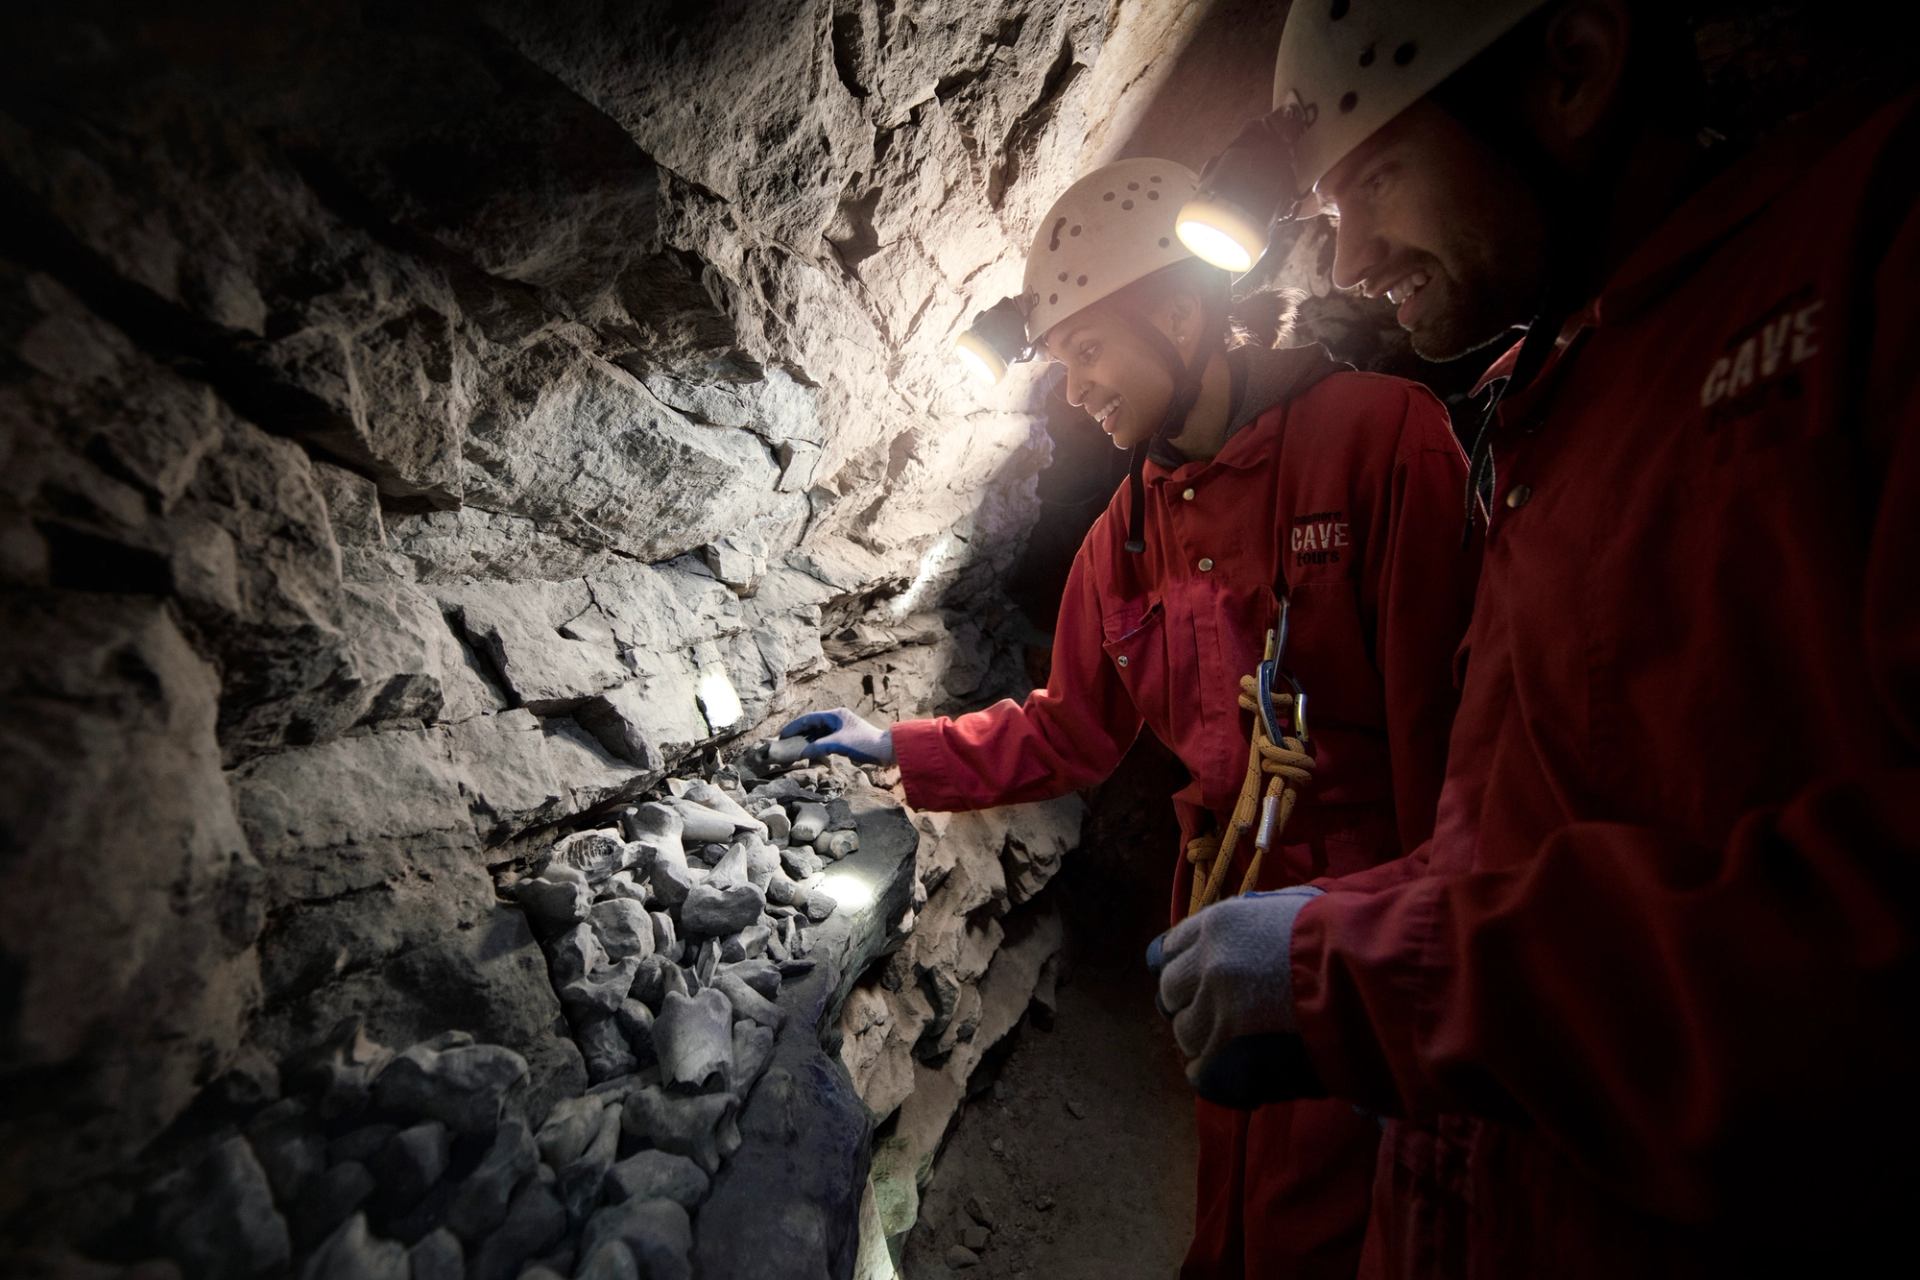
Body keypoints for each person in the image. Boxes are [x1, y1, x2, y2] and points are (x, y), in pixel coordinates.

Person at [1152, 1, 1920, 1274]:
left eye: (1377, 178)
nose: (1347, 265)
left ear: (1573, 65)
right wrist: (1345, 920)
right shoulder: (1552, 394)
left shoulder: (1874, 256)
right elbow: (1524, 829)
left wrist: (1371, 967)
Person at [779, 158, 1479, 1278]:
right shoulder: (1126, 537)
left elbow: (1458, 764)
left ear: (1180, 311)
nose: (1073, 388)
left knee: (1354, 1228)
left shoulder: (1378, 441)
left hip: (1361, 930)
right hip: (1219, 918)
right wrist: (896, 746)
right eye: (1057, 364)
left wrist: (1415, 970)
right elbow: (1071, 730)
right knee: (1238, 1204)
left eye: (1088, 351)